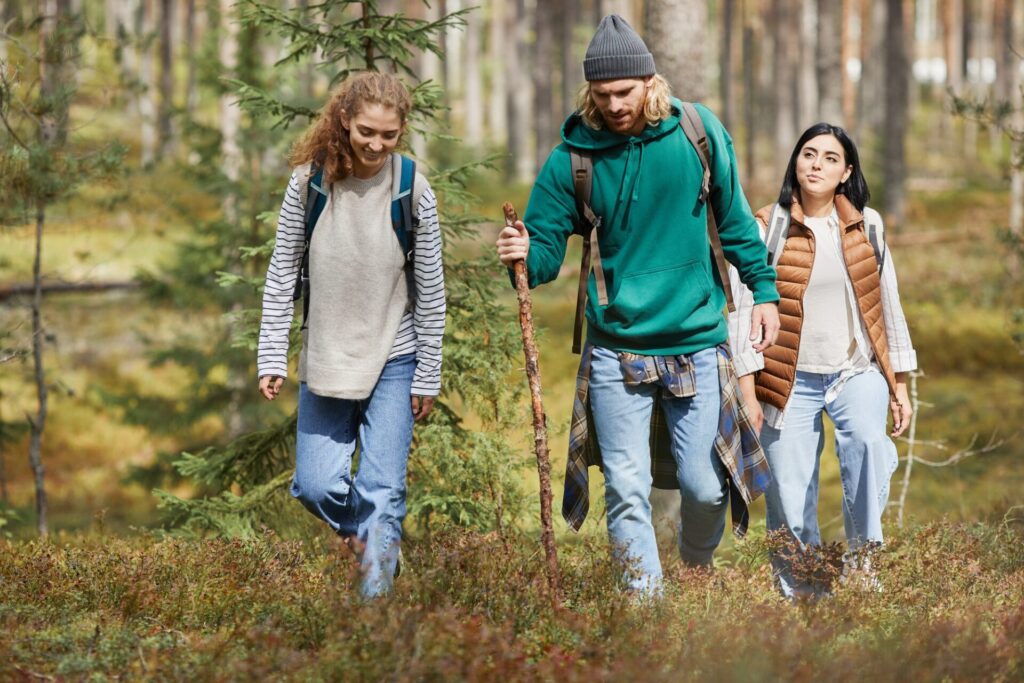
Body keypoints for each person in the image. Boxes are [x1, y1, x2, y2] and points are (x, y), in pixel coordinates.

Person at [496, 15, 780, 596]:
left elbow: (734, 221)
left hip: (697, 342)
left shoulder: (698, 133)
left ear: (651, 82)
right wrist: (524, 252)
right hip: (615, 349)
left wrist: (765, 291)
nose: (615, 105)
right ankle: (645, 614)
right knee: (626, 488)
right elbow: (546, 254)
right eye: (602, 95)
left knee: (705, 487)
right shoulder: (572, 159)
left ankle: (695, 572)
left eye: (624, 92)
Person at [256, 72, 445, 599]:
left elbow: (430, 289)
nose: (377, 144)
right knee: (315, 485)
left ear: (401, 129)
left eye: (389, 135)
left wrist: (428, 372)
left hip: (397, 356)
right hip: (328, 355)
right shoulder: (309, 183)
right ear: (344, 119)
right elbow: (281, 273)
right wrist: (271, 353)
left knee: (382, 491)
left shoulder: (412, 188)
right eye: (367, 131)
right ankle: (371, 539)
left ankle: (375, 618)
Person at [728, 123, 917, 598]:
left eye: (830, 158)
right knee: (789, 495)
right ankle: (805, 598)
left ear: (846, 171)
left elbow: (885, 302)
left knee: (870, 448)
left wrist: (898, 382)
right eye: (808, 154)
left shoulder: (866, 225)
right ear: (795, 162)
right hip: (786, 379)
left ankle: (863, 573)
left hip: (855, 370)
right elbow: (741, 312)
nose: (816, 164)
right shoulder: (763, 227)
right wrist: (747, 392)